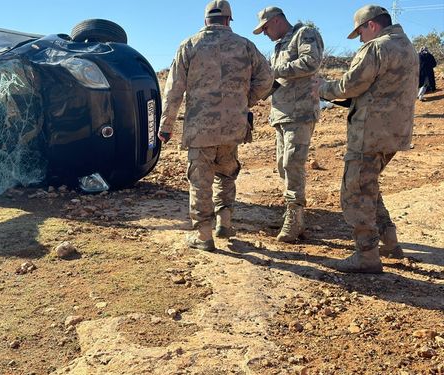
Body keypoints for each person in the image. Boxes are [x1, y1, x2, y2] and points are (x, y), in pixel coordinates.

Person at [159, 0, 273, 251]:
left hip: (201, 129)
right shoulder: (245, 45)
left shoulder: (189, 45)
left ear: (205, 20)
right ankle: (225, 222)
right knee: (226, 173)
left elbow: (174, 89)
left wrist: (165, 125)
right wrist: (244, 101)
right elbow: (267, 78)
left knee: (200, 181)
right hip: (234, 126)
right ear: (229, 20)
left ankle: (203, 236)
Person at [317, 5, 418, 273]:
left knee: (356, 191)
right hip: (395, 132)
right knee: (368, 183)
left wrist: (322, 88)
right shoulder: (407, 46)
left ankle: (366, 255)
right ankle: (389, 240)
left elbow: (350, 85)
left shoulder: (376, 48)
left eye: (360, 32)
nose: (360, 38)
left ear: (371, 25)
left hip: (370, 133)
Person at [253, 6, 324, 243]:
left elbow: (311, 62)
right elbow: (277, 81)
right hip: (281, 115)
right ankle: (294, 214)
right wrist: (250, 98)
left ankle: (294, 219)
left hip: (300, 113)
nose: (264, 33)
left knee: (292, 164)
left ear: (275, 21)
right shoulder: (279, 46)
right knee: (282, 166)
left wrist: (274, 70)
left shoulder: (304, 34)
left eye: (264, 28)